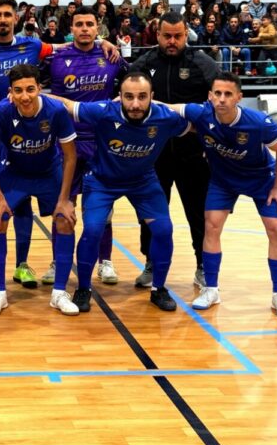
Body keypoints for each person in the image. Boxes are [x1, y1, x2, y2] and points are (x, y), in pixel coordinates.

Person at [51, 72, 191, 312]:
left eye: (142, 97)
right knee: (93, 230)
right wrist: (32, 98)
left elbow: (201, 121)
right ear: (120, 97)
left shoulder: (166, 117)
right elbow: (66, 104)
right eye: (128, 97)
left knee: (164, 230)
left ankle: (159, 289)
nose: (135, 104)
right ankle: (83, 288)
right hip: (101, 181)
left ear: (152, 98)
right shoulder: (104, 111)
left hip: (143, 182)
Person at [171, 72, 277, 316]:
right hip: (224, 181)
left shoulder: (258, 122)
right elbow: (170, 107)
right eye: (217, 93)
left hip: (261, 179)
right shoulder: (202, 113)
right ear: (210, 96)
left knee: (276, 229)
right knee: (212, 226)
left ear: (239, 97)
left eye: (228, 94)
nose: (222, 99)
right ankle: (212, 289)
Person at [130, 12, 219, 289]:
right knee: (151, 215)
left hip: (194, 154)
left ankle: (203, 265)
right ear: (157, 35)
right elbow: (129, 103)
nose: (172, 41)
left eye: (177, 36)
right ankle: (151, 262)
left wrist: (213, 146)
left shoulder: (203, 64)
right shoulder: (144, 64)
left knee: (199, 213)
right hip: (152, 156)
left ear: (186, 34)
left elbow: (219, 107)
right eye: (166, 36)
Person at [0, 64, 77, 316]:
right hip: (14, 173)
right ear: (10, 92)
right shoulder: (2, 112)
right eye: (18, 90)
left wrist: (65, 198)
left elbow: (70, 156)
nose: (25, 96)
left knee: (65, 220)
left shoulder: (55, 111)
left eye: (31, 89)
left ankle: (59, 293)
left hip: (48, 172)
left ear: (39, 88)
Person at [42, 6, 127, 286]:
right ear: (72, 27)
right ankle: (58, 261)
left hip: (101, 143)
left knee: (102, 206)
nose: (85, 29)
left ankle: (105, 262)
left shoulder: (110, 56)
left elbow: (133, 85)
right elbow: (34, 84)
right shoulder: (56, 57)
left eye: (90, 24)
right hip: (65, 143)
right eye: (79, 24)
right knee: (63, 203)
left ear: (98, 27)